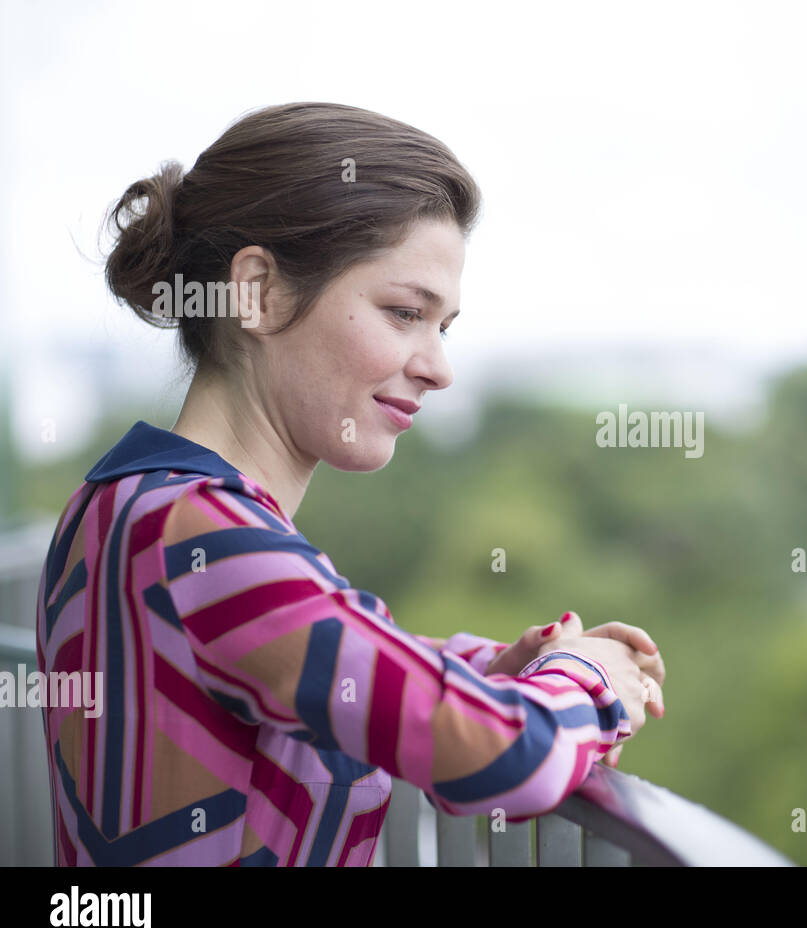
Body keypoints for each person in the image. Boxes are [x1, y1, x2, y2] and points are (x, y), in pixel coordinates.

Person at [33, 102, 665, 866]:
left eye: (444, 326)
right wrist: (592, 679)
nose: (438, 367)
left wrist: (495, 669)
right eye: (404, 313)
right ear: (257, 292)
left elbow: (314, 657)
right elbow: (506, 757)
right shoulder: (205, 535)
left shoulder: (118, 502)